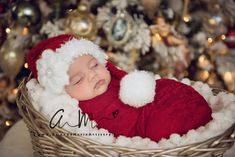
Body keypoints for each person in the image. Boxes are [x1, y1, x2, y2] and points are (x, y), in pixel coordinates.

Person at [27, 34, 212, 142]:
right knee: (163, 127)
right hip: (146, 123)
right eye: (78, 80)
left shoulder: (116, 80)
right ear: (63, 91)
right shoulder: (77, 113)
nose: (93, 75)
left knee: (167, 88)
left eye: (94, 66)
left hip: (158, 100)